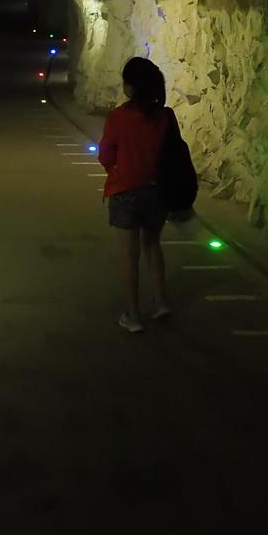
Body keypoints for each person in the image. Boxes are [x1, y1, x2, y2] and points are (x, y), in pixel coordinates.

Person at [97, 56, 177, 333]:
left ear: (130, 87)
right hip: (156, 191)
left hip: (125, 191)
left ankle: (133, 315)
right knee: (153, 245)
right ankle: (161, 302)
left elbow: (105, 155)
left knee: (129, 255)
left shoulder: (118, 117)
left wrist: (116, 167)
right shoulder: (164, 117)